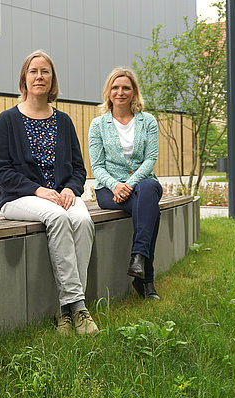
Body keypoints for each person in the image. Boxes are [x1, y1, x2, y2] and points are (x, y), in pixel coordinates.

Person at [0, 50, 98, 336]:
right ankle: (78, 307)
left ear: (52, 80)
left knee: (84, 221)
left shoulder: (63, 121)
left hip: (60, 196)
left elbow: (78, 168)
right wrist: (39, 190)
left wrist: (68, 189)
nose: (39, 76)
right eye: (33, 71)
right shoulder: (7, 120)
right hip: (19, 198)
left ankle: (67, 309)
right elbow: (1, 172)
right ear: (24, 79)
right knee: (59, 219)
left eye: (45, 72)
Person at [88, 67, 162, 301]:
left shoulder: (147, 121)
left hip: (141, 184)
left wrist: (128, 184)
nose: (120, 92)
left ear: (134, 92)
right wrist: (115, 185)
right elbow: (97, 166)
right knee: (152, 211)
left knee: (148, 189)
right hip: (109, 191)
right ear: (108, 92)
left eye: (126, 88)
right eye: (115, 87)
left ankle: (138, 259)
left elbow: (150, 159)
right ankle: (145, 279)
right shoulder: (98, 125)